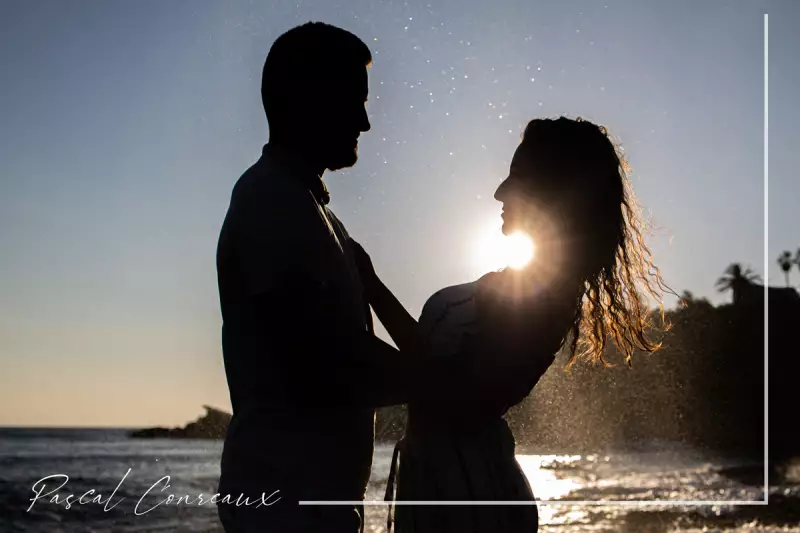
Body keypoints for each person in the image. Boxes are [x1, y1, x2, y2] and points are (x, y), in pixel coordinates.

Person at [215, 22, 538, 533]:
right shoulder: (271, 202)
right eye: (354, 100)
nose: (365, 122)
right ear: (309, 99)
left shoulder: (309, 209)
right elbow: (325, 359)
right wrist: (448, 386)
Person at [353, 116, 669, 533]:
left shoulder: (548, 296)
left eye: (515, 177)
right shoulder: (528, 284)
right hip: (448, 491)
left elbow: (459, 400)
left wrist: (366, 304)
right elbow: (438, 371)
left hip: (471, 502)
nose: (499, 191)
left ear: (553, 193)